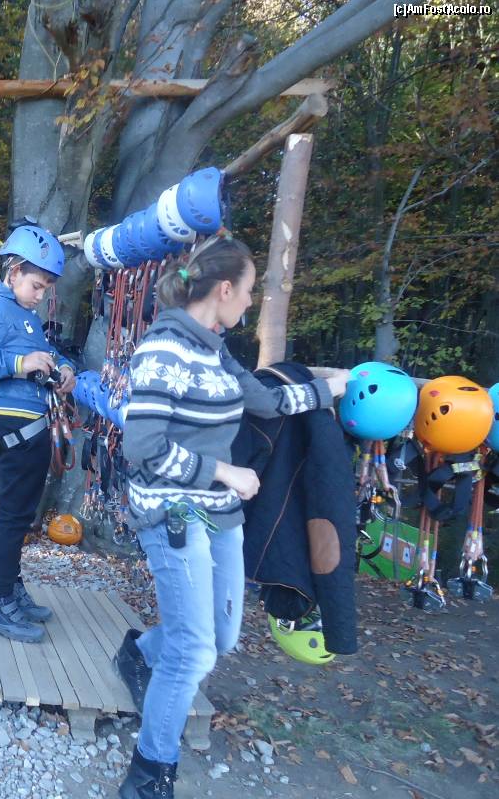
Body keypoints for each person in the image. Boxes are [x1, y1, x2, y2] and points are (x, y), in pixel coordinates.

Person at [113, 235, 350, 798]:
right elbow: (141, 449)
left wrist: (330, 390)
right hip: (172, 511)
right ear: (224, 289)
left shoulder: (216, 350)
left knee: (220, 637)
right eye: (247, 290)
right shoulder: (163, 351)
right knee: (193, 650)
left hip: (220, 513)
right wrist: (225, 471)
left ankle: (137, 652)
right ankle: (149, 775)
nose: (249, 301)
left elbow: (266, 402)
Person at [0, 223, 76, 644]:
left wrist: (64, 368)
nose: (40, 295)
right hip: (15, 426)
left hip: (33, 425)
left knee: (22, 515)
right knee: (12, 516)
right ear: (14, 272)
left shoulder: (25, 316)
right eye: (36, 285)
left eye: (45, 289)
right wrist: (20, 365)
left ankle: (9, 587)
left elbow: (46, 353)